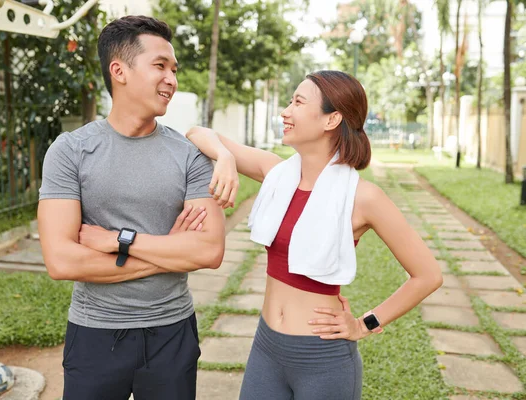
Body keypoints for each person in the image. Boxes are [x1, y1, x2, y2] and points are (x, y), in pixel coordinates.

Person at [186, 70, 443, 400]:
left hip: (323, 360)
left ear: (331, 119)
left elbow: (427, 275)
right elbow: (197, 132)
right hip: (266, 349)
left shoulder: (364, 198)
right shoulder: (275, 172)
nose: (285, 111)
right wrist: (225, 157)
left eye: (298, 102)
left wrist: (365, 323)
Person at [38, 15, 226, 400]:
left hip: (172, 334)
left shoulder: (191, 157)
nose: (171, 79)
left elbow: (208, 251)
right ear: (119, 70)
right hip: (94, 335)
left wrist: (117, 240)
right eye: (160, 66)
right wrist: (170, 253)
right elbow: (62, 262)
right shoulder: (70, 151)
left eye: (174, 69)